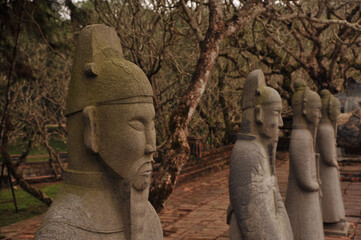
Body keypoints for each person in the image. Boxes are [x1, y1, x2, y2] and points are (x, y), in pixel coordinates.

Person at [35, 24, 163, 240]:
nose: (152, 145)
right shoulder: (62, 232)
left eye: (152, 124)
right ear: (92, 128)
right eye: (138, 125)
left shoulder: (150, 217)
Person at [228, 69, 293, 240]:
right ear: (258, 114)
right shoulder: (247, 153)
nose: (280, 123)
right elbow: (255, 223)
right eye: (277, 114)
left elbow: (274, 196)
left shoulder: (259, 149)